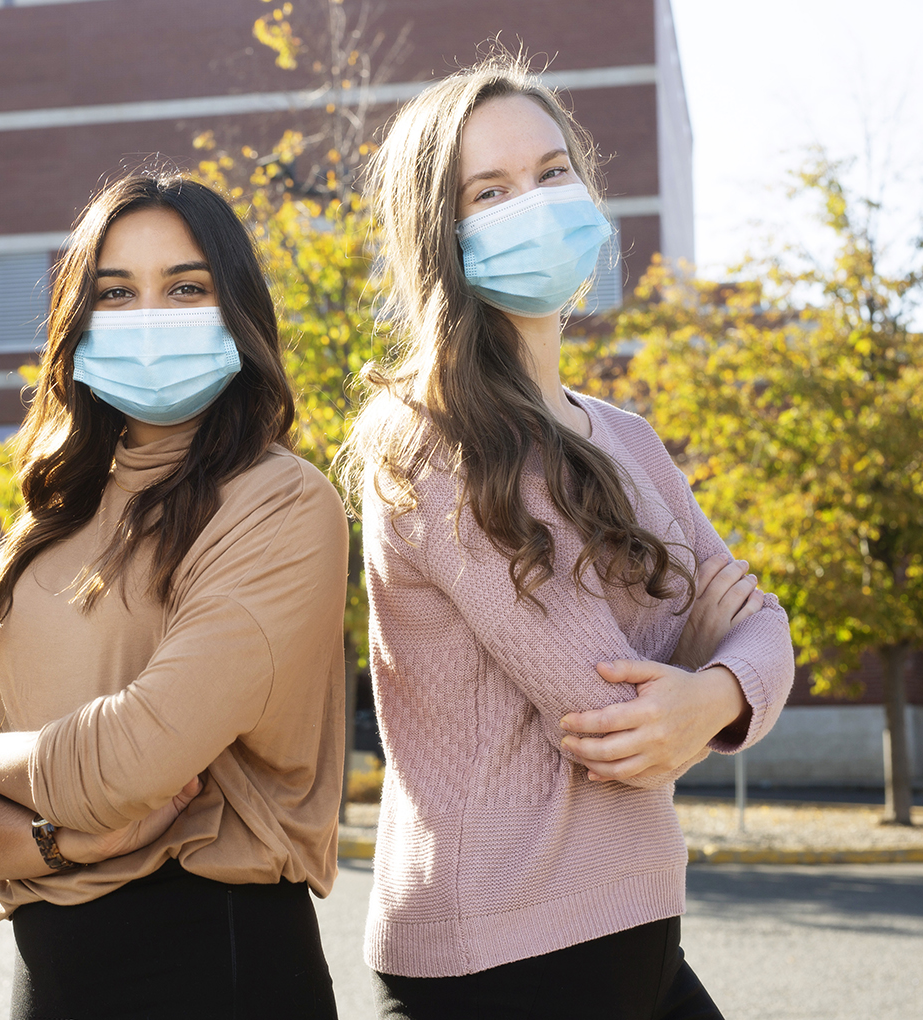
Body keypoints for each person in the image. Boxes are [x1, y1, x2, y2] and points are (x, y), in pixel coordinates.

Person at [337, 57, 796, 1018]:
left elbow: (763, 622)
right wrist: (710, 653)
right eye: (490, 191)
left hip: (636, 925)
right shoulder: (426, 438)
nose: (534, 206)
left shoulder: (626, 435)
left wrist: (713, 686)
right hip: (497, 955)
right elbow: (611, 715)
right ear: (442, 234)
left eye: (552, 174)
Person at [0, 172, 349, 1019]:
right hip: (51, 978)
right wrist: (51, 840)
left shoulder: (281, 503)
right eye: (116, 292)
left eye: (186, 287)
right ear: (81, 321)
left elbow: (133, 765)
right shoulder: (48, 527)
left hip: (217, 962)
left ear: (236, 311)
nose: (151, 317)